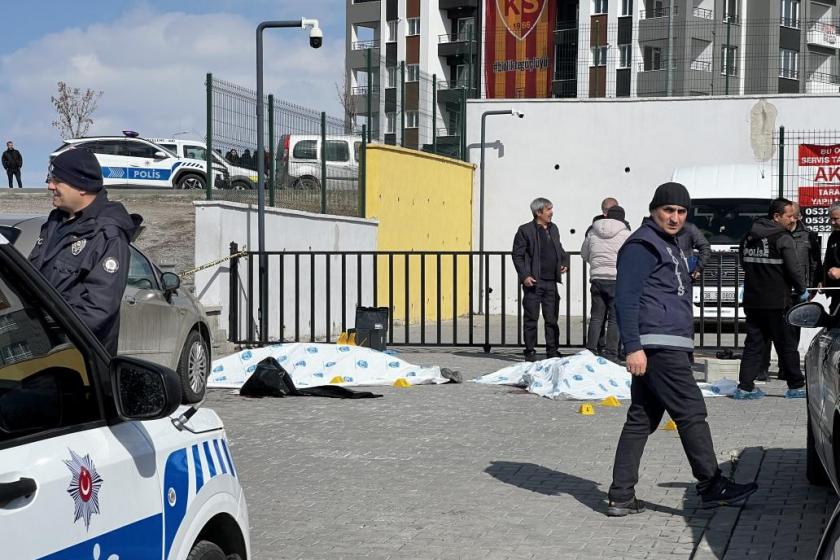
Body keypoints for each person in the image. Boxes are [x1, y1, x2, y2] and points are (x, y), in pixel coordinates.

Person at [607, 182, 757, 517]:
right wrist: (633, 347)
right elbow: (626, 298)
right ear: (653, 210)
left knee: (641, 419)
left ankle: (620, 495)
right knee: (691, 411)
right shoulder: (641, 246)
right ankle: (711, 484)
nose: (675, 217)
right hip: (657, 345)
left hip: (666, 342)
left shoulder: (668, 243)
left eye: (681, 212)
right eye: (668, 211)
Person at [28, 148, 141, 355]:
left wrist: (49, 330)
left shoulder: (108, 234)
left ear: (81, 186)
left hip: (78, 356)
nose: (50, 186)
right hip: (42, 348)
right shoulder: (55, 221)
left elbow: (98, 309)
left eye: (57, 180)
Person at [733, 198, 807, 400]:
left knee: (754, 344)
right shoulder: (782, 237)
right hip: (777, 301)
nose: (793, 219)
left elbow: (744, 262)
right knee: (787, 344)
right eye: (789, 216)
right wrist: (802, 289)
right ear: (776, 217)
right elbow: (794, 268)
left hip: (753, 299)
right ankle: (796, 386)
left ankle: (745, 387)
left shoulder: (749, 236)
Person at [758, 202, 823, 381]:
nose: (793, 218)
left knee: (792, 330)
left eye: (795, 215)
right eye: (790, 215)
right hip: (777, 289)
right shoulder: (775, 234)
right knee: (769, 329)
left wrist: (812, 285)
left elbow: (814, 262)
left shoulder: (808, 235)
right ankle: (762, 367)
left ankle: (786, 369)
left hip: (798, 290)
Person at [512, 198, 569, 361]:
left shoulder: (554, 228)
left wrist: (564, 262)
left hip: (551, 282)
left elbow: (559, 248)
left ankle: (552, 350)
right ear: (538, 212)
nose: (552, 212)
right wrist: (525, 276)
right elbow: (517, 255)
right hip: (534, 282)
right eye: (548, 209)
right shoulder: (525, 230)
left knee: (552, 318)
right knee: (531, 318)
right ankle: (530, 350)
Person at [581, 205, 630, 359]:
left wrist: (596, 265)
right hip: (617, 279)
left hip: (597, 278)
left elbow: (584, 254)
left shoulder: (592, 232)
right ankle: (611, 353)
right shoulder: (626, 234)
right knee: (614, 318)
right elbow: (631, 255)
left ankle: (591, 350)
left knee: (596, 317)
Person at [823, 202, 840, 314]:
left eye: (836, 219)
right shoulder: (833, 236)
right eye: (831, 219)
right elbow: (828, 261)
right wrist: (823, 280)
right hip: (836, 294)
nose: (832, 222)